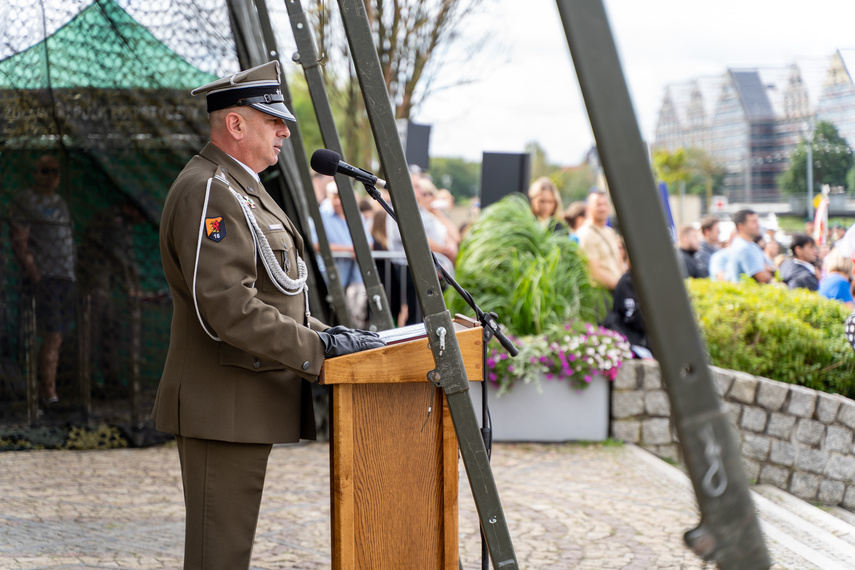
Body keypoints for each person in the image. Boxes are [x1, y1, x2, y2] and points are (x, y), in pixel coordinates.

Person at [152, 61, 384, 570]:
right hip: (221, 406)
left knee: (227, 555)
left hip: (238, 405)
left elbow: (277, 294)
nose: (285, 130)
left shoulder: (239, 186)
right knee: (219, 558)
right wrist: (316, 352)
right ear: (235, 125)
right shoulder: (210, 190)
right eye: (273, 120)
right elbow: (227, 309)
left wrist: (334, 335)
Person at [9, 155, 76, 408]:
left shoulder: (59, 202)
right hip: (46, 278)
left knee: (60, 336)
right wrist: (37, 276)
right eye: (45, 171)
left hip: (65, 276)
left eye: (55, 172)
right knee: (52, 335)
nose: (51, 177)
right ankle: (47, 395)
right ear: (35, 173)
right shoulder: (26, 201)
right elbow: (19, 241)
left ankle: (53, 391)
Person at [77, 198, 145, 397]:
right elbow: (120, 256)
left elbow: (125, 256)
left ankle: (110, 380)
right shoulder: (112, 220)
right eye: (140, 215)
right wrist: (132, 287)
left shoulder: (123, 223)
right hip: (91, 283)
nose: (140, 221)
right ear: (130, 208)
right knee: (91, 334)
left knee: (110, 331)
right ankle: (85, 385)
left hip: (104, 284)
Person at [316, 182, 369, 328]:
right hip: (331, 275)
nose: (338, 201)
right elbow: (316, 244)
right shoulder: (320, 215)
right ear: (329, 197)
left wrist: (355, 249)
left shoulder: (355, 214)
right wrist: (350, 249)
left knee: (357, 312)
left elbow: (368, 243)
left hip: (355, 276)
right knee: (332, 313)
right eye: (335, 197)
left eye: (341, 197)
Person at [577, 190, 626, 291]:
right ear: (588, 208)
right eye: (598, 204)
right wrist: (622, 288)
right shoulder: (586, 233)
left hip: (618, 291)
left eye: (605, 204)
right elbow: (594, 273)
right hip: (603, 295)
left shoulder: (609, 231)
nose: (602, 208)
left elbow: (619, 261)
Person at [724, 209, 773, 284]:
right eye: (753, 222)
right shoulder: (744, 248)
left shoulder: (751, 246)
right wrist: (769, 272)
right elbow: (763, 278)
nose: (758, 225)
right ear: (741, 226)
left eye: (757, 221)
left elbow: (769, 267)